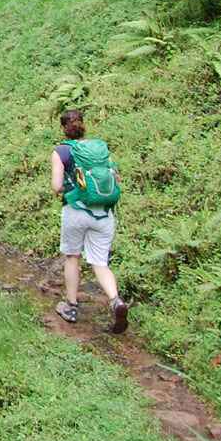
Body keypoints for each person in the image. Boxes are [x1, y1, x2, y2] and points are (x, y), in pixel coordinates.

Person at [52, 108, 129, 332]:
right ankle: (116, 301)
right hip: (103, 213)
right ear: (84, 125)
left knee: (72, 257)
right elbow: (116, 177)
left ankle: (71, 306)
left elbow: (57, 186)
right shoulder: (99, 148)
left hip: (75, 211)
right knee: (100, 262)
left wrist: (66, 187)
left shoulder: (61, 151)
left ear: (63, 128)